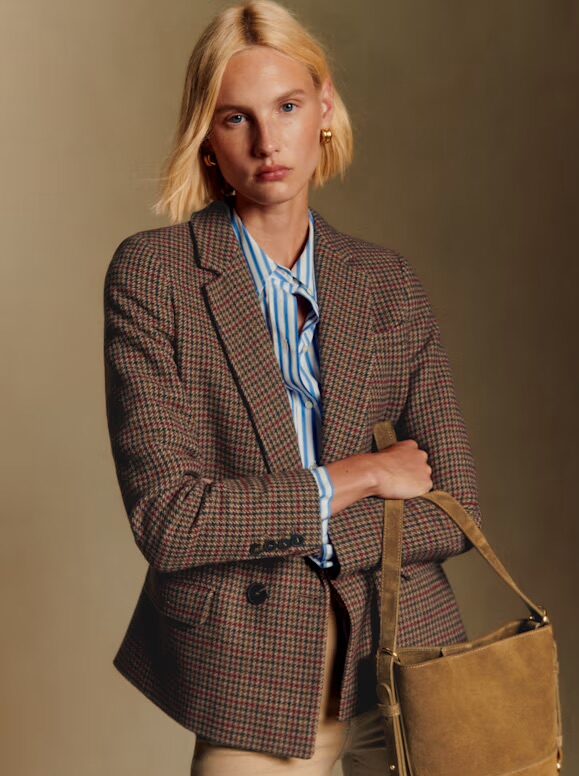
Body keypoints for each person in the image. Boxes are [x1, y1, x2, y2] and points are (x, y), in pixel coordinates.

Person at [103, 1, 482, 773]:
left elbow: (456, 509)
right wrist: (361, 477)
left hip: (407, 664)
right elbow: (172, 520)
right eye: (235, 118)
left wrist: (265, 522)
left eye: (287, 106)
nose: (268, 142)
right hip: (255, 682)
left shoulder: (385, 284)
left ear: (327, 111)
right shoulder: (155, 276)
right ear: (206, 139)